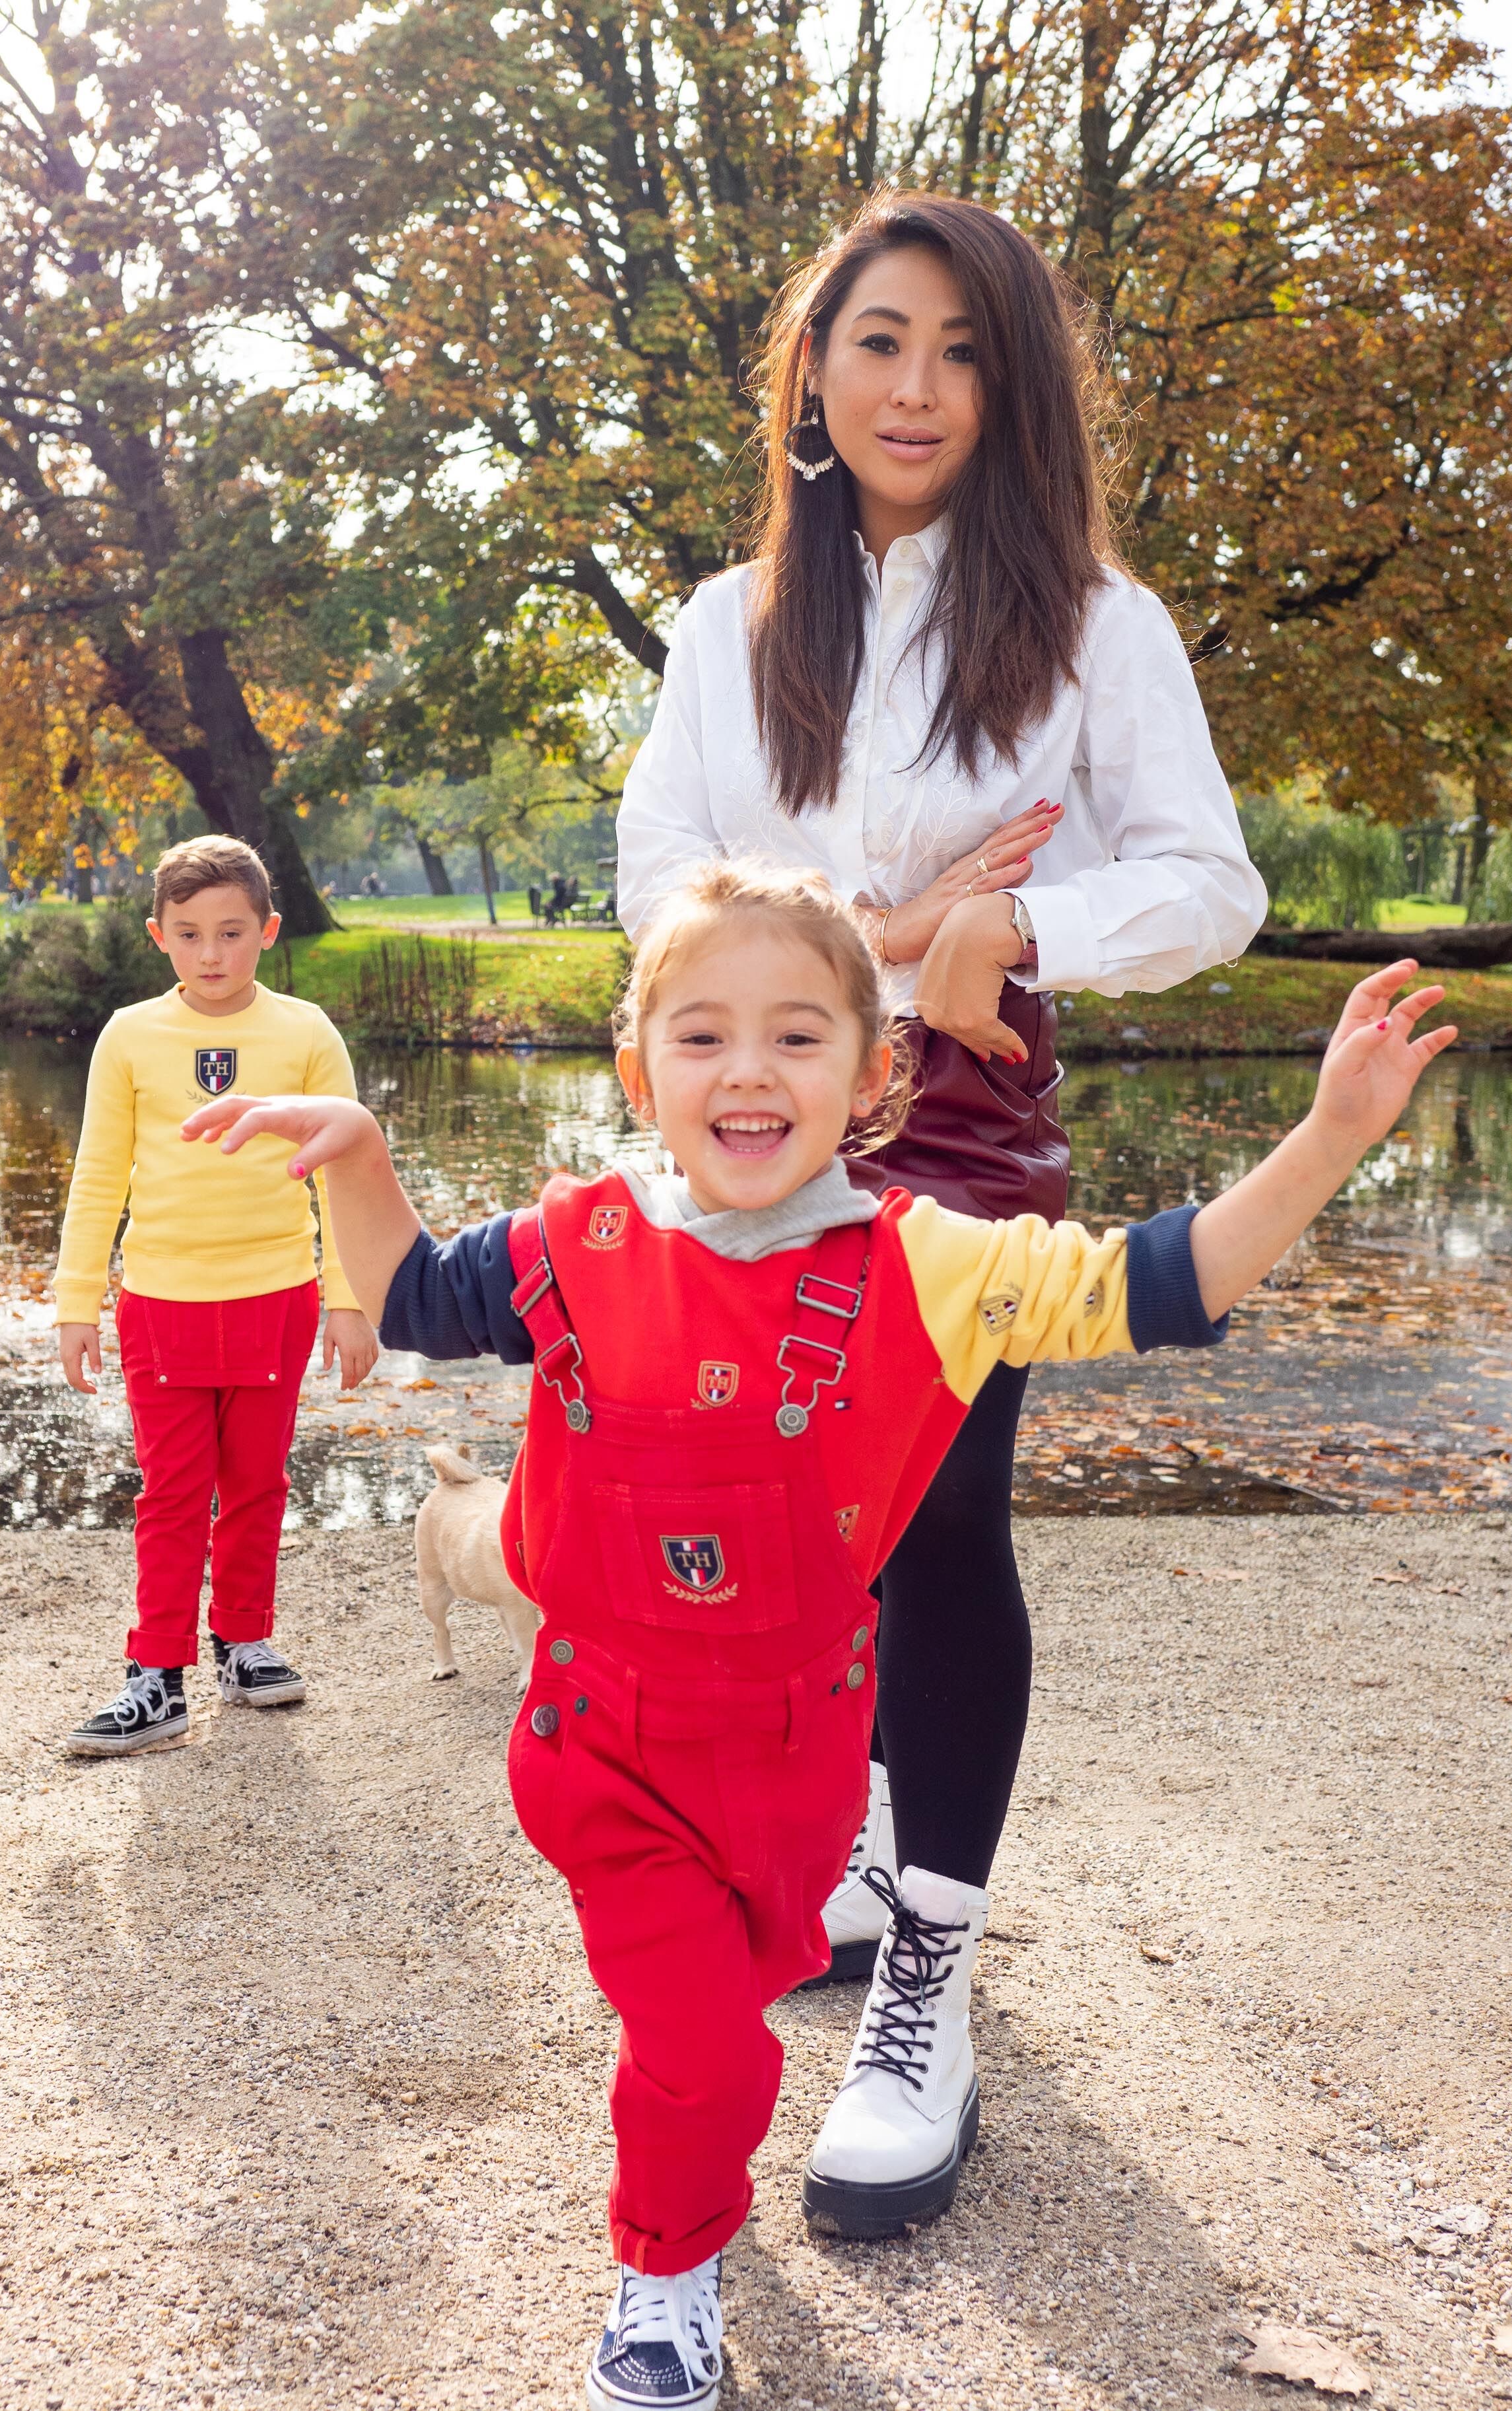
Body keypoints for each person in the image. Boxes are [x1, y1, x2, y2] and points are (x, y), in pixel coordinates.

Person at [182, 862, 1450, 2411]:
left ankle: (692, 2140)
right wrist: (361, 1152)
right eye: (702, 1035)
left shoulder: (929, 1262)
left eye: (797, 1034)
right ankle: (663, 2278)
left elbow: (1159, 1284)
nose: (748, 1068)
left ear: (872, 1075)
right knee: (707, 2042)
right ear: (640, 1070)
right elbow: (406, 1291)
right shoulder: (570, 1242)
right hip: (600, 1745)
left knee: (722, 2009)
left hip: (800, 1770)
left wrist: (1329, 1136)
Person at [613, 190, 1269, 2221]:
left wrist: (1019, 922)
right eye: (879, 340)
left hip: (962, 1145)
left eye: (964, 350)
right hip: (749, 1121)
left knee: (932, 1520)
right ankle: (842, 1859)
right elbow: (661, 895)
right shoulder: (727, 627)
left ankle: (931, 1977)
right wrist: (908, 935)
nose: (916, 386)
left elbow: (1208, 885)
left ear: (1015, 384)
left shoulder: (1093, 617)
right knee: (764, 1522)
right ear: (812, 370)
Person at [53, 835, 380, 1757]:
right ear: (159, 936)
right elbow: (97, 1177)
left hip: (278, 1295)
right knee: (171, 1491)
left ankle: (242, 1641)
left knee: (258, 1484)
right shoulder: (130, 1036)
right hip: (161, 1298)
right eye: (190, 934)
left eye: (231, 933)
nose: (211, 954)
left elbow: (341, 1177)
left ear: (267, 932)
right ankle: (155, 1678)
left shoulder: (306, 1033)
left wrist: (348, 1298)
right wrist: (78, 1301)